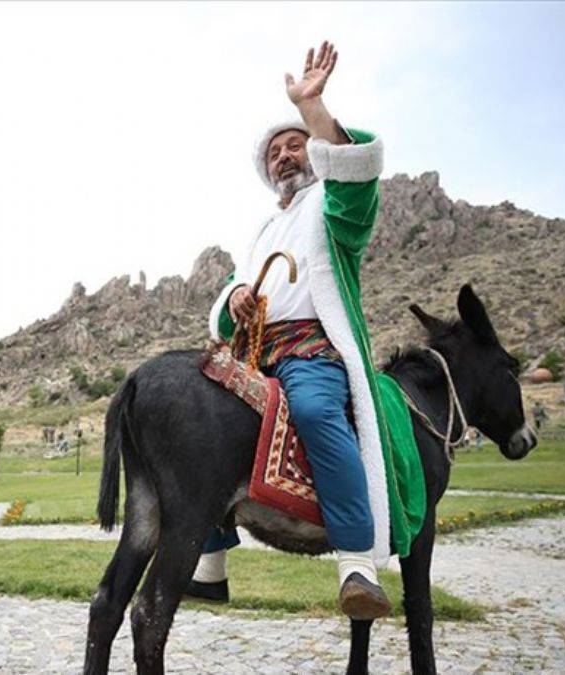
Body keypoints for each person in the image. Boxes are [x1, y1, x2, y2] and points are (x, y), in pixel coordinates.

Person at [189, 42, 397, 620]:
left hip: (311, 350)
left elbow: (355, 179)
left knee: (313, 410)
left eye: (295, 145)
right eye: (275, 153)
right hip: (256, 352)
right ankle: (209, 565)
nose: (284, 156)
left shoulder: (331, 206)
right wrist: (234, 296)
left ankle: (356, 563)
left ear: (316, 154)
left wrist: (311, 110)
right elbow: (230, 296)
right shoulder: (262, 231)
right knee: (197, 419)